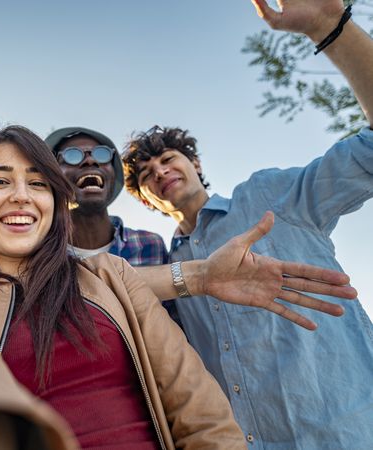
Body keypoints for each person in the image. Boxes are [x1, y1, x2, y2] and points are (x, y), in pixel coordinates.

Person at [0, 125, 355, 450]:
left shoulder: (113, 275)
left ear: (56, 203)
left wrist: (201, 275)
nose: (20, 195)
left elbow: (199, 412)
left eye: (38, 183)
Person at [121, 1, 373, 447]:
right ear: (147, 199)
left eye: (168, 158)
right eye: (146, 175)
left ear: (194, 162)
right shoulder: (166, 268)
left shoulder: (268, 195)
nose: (160, 171)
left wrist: (332, 28)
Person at [45, 127, 180, 324]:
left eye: (101, 154)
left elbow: (173, 324)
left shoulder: (150, 245)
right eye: (72, 155)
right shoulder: (41, 254)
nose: (90, 161)